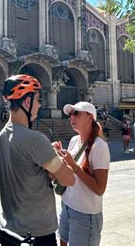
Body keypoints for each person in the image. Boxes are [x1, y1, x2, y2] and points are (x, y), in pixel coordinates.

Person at [0, 74, 75, 246]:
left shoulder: (3, 134)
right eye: (38, 99)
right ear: (27, 102)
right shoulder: (34, 139)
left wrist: (48, 162)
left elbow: (27, 172)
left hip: (10, 230)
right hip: (36, 234)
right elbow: (69, 179)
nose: (40, 104)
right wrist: (57, 157)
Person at [57, 102, 110, 246]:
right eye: (70, 114)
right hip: (67, 205)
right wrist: (60, 158)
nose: (71, 118)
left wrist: (73, 165)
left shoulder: (99, 146)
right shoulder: (74, 140)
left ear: (89, 117)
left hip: (85, 213)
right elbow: (70, 172)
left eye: (76, 113)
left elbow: (100, 189)